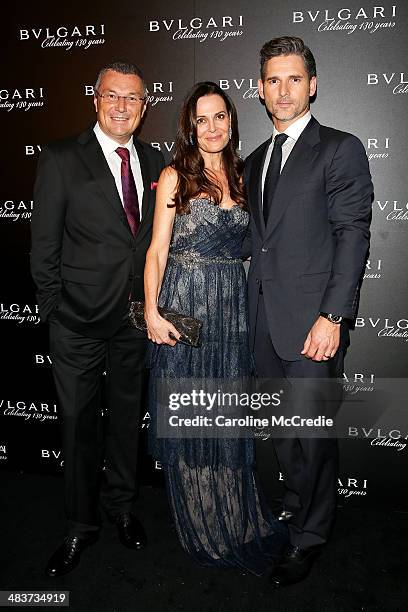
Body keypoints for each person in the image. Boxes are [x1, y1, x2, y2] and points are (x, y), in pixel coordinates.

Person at [244, 36, 373, 587]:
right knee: (280, 430)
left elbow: (352, 235)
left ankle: (311, 536)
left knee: (312, 434)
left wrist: (332, 317)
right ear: (260, 89)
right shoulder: (253, 161)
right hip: (264, 321)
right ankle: (296, 509)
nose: (283, 90)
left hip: (312, 324)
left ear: (312, 84)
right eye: (273, 80)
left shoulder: (340, 148)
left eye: (294, 78)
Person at [144, 81, 287, 575]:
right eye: (201, 119)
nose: (212, 127)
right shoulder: (174, 177)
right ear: (189, 127)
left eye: (220, 116)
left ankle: (236, 517)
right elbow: (157, 251)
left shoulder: (248, 177)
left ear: (232, 120)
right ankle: (203, 522)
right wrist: (151, 311)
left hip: (230, 310)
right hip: (185, 306)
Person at [30, 61, 164, 577]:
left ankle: (123, 508)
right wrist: (56, 310)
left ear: (144, 105)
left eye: (133, 98)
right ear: (95, 100)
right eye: (113, 96)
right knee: (78, 426)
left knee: (126, 422)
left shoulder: (157, 161)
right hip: (77, 322)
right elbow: (43, 244)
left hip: (134, 319)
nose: (122, 106)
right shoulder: (63, 158)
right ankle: (80, 526)